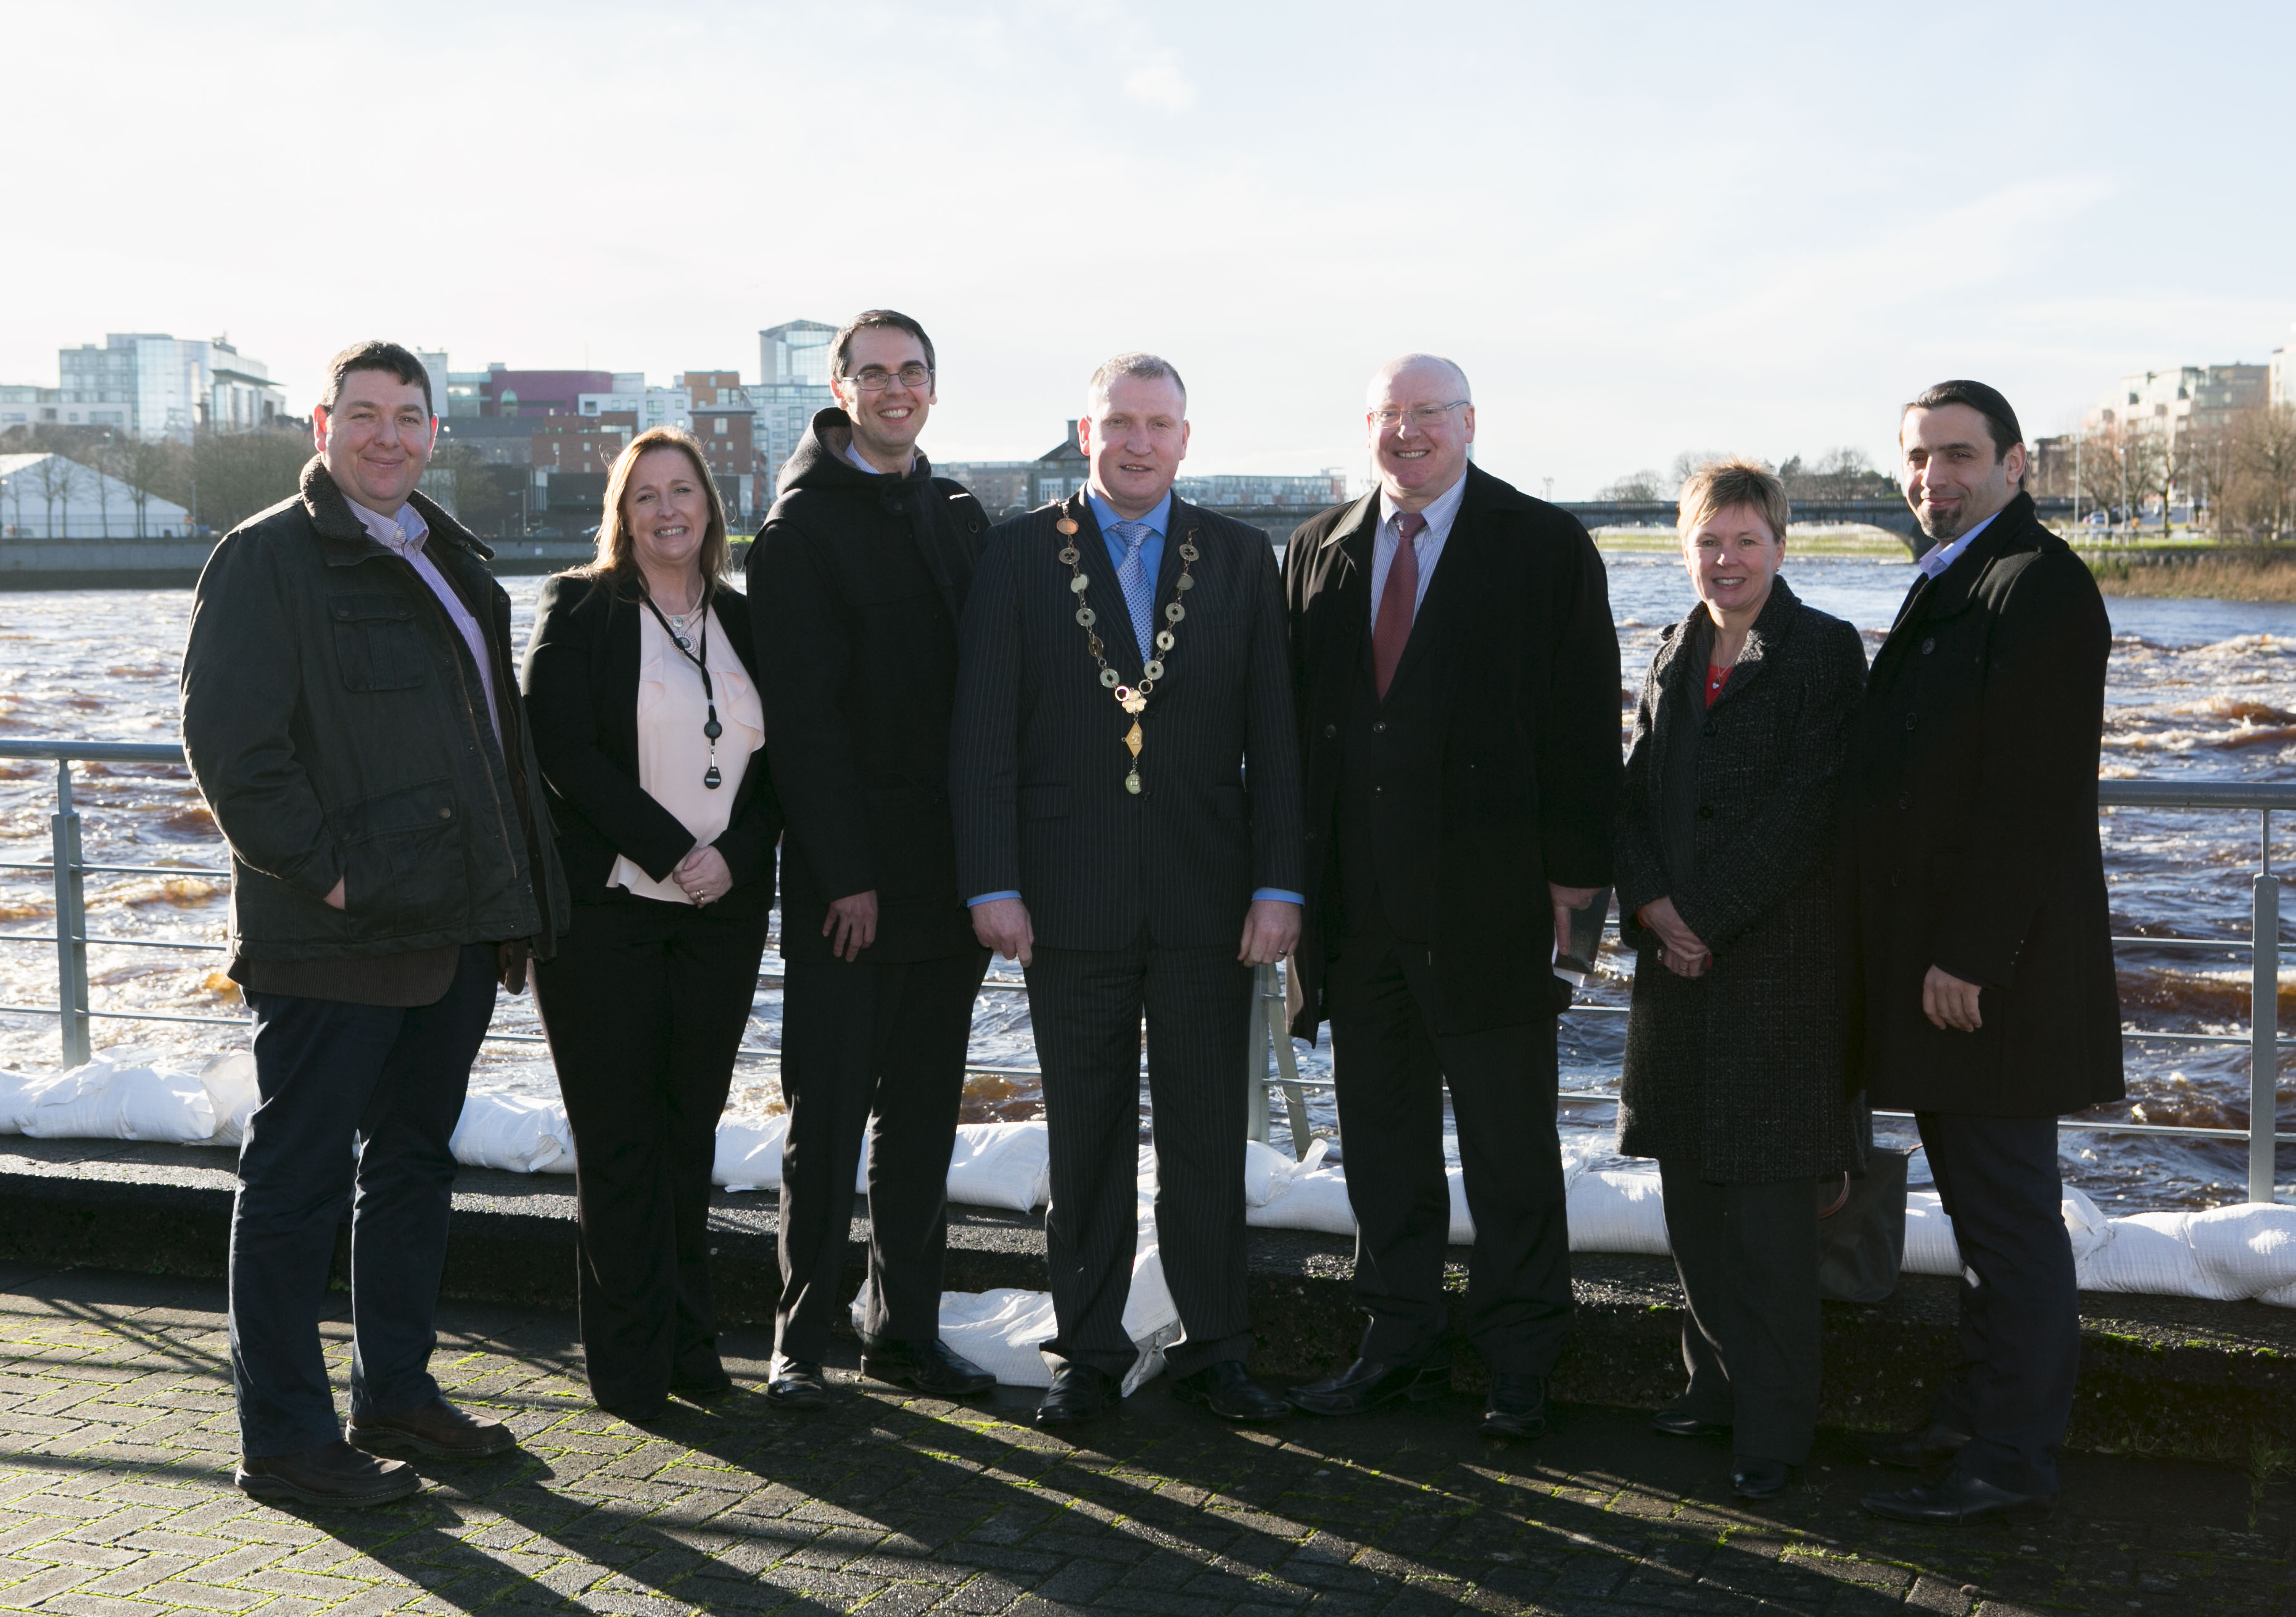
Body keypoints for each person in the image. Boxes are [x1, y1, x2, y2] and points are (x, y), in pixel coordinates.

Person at [181, 340, 566, 1507]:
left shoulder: (449, 556)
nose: (388, 435)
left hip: (450, 925)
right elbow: (233, 753)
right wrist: (336, 879)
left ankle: (393, 1388)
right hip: (336, 933)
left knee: (410, 1168)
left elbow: (491, 745)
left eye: (409, 416)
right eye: (365, 414)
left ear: (434, 432)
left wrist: (514, 903)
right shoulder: (267, 558)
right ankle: (286, 1439)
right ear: (321, 424)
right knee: (296, 1181)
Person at [951, 353, 1304, 1427]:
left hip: (1209, 902)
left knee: (1206, 1140)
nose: (1138, 441)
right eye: (1120, 422)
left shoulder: (1242, 559)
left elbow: (1276, 743)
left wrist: (1279, 885)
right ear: (1084, 429)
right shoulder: (1016, 557)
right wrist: (991, 883)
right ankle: (1089, 1356)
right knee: (1087, 1142)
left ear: (1186, 439)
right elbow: (982, 736)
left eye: (1158, 424)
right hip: (1065, 901)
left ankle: (1215, 1351)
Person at [1281, 354, 1621, 1440]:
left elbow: (1581, 727)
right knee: (1380, 1144)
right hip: (1358, 914)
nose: (1409, 432)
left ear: (1470, 422)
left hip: (1494, 908)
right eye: (1390, 414)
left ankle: (1520, 1357)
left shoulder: (1543, 545)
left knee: (1509, 1147)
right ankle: (1397, 1337)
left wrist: (1577, 897)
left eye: (1430, 413)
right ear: (1366, 425)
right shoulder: (1316, 548)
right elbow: (1292, 733)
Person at [1849, 381, 2122, 1525]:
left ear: (2017, 463)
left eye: (1958, 455)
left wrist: (1965, 956)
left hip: (1990, 980)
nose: (1933, 478)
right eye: (1918, 458)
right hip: (1952, 972)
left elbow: (2029, 800)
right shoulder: (1963, 571)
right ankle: (1974, 1413)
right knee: (1979, 1216)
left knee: (2009, 1221)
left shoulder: (2041, 585)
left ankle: (2012, 1454)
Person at [748, 310, 996, 1407]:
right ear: (840, 388)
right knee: (831, 1111)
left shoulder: (954, 513)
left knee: (925, 1117)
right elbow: (801, 723)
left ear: (932, 389)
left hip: (949, 876)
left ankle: (903, 1333)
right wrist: (845, 874)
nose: (897, 389)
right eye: (876, 373)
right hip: (849, 882)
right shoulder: (797, 530)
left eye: (914, 372)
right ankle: (798, 1339)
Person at [1611, 458, 1869, 1500]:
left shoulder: (1820, 650)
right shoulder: (1671, 647)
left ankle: (1773, 1424)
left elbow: (1809, 812)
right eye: (1707, 542)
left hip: (1775, 972)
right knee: (1692, 1206)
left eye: (1745, 540)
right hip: (1678, 975)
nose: (1726, 560)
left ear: (1779, 542)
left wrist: (1702, 918)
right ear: (1686, 547)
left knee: (1765, 1218)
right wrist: (1652, 906)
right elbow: (1627, 797)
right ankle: (1710, 1388)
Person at [520, 428, 778, 1422]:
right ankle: (629, 1367)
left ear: (711, 508)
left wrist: (733, 860)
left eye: (684, 492)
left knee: (687, 1135)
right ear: (620, 517)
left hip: (720, 916)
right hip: (608, 915)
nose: (667, 510)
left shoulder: (748, 623)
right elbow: (560, 748)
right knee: (619, 1141)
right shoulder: (581, 606)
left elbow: (782, 771)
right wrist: (673, 848)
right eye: (645, 497)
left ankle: (689, 1341)